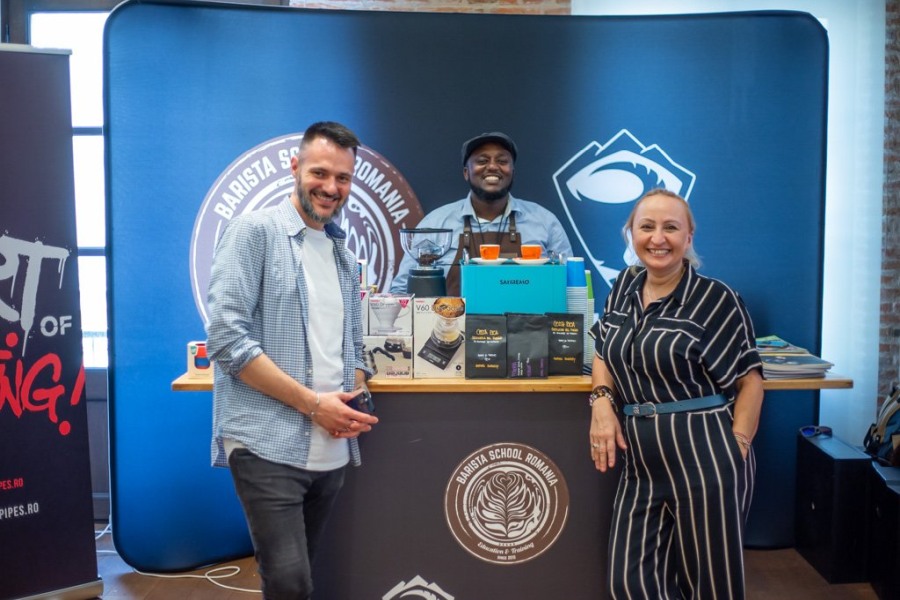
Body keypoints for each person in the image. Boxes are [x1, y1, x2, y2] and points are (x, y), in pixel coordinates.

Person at [206, 121, 379, 599]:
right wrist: (314, 405)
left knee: (298, 583)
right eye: (320, 173)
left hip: (331, 448)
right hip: (265, 442)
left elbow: (351, 344)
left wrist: (354, 393)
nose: (331, 187)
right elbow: (226, 338)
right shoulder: (253, 232)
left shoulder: (342, 254)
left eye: (342, 178)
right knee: (289, 583)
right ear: (295, 167)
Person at [588, 188, 764, 599]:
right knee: (629, 583)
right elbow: (602, 352)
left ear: (688, 237)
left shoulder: (715, 299)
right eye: (646, 227)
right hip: (641, 464)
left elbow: (751, 381)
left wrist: (735, 448)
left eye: (670, 227)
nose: (658, 238)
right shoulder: (624, 287)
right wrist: (601, 402)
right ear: (631, 233)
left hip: (705, 457)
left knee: (710, 586)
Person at [390, 131, 573, 296]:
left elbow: (571, 289)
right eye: (482, 161)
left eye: (502, 161)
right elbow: (401, 291)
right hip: (451, 323)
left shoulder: (545, 222)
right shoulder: (436, 223)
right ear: (466, 173)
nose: (492, 167)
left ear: (512, 172)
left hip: (529, 324)